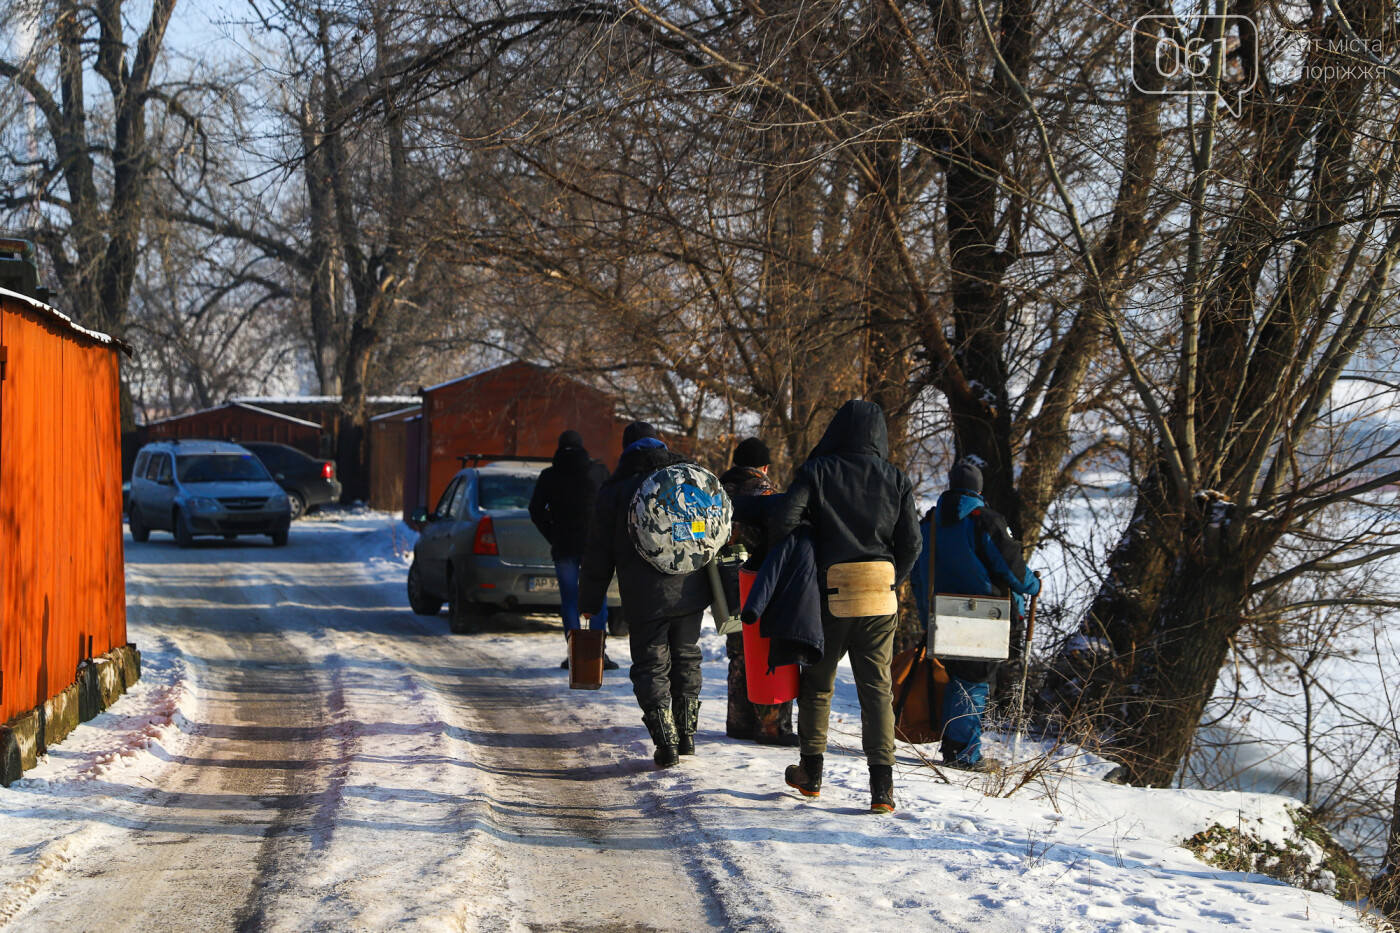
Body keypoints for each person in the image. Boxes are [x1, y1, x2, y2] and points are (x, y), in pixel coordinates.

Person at [770, 400, 922, 813]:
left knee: (818, 685)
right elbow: (912, 544)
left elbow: (784, 522)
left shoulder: (817, 472)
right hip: (880, 595)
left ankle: (811, 775)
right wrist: (890, 579)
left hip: (830, 592)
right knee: (877, 690)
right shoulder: (897, 479)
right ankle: (882, 791)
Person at [580, 422, 712, 768]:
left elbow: (598, 552)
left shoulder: (614, 490)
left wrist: (589, 601)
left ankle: (665, 742)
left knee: (651, 664)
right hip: (689, 586)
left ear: (626, 450)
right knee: (686, 656)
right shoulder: (685, 475)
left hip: (644, 596)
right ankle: (686, 735)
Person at [911, 460, 1040, 772]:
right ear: (979, 489)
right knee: (974, 682)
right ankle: (962, 753)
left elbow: (917, 574)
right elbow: (1012, 570)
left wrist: (924, 613)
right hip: (984, 615)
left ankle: (956, 746)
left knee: (958, 677)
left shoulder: (929, 523)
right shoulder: (984, 520)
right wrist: (1033, 585)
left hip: (941, 611)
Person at [719, 437, 799, 747]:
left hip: (724, 582)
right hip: (761, 583)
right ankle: (771, 727)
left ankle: (738, 724)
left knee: (738, 651)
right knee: (767, 650)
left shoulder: (716, 494)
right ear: (763, 466)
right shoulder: (765, 492)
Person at [529, 430, 618, 671]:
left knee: (570, 601)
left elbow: (535, 510)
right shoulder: (598, 471)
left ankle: (575, 653)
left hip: (564, 547)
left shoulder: (549, 475)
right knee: (596, 598)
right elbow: (612, 506)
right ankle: (598, 654)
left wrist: (553, 535)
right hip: (595, 547)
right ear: (582, 448)